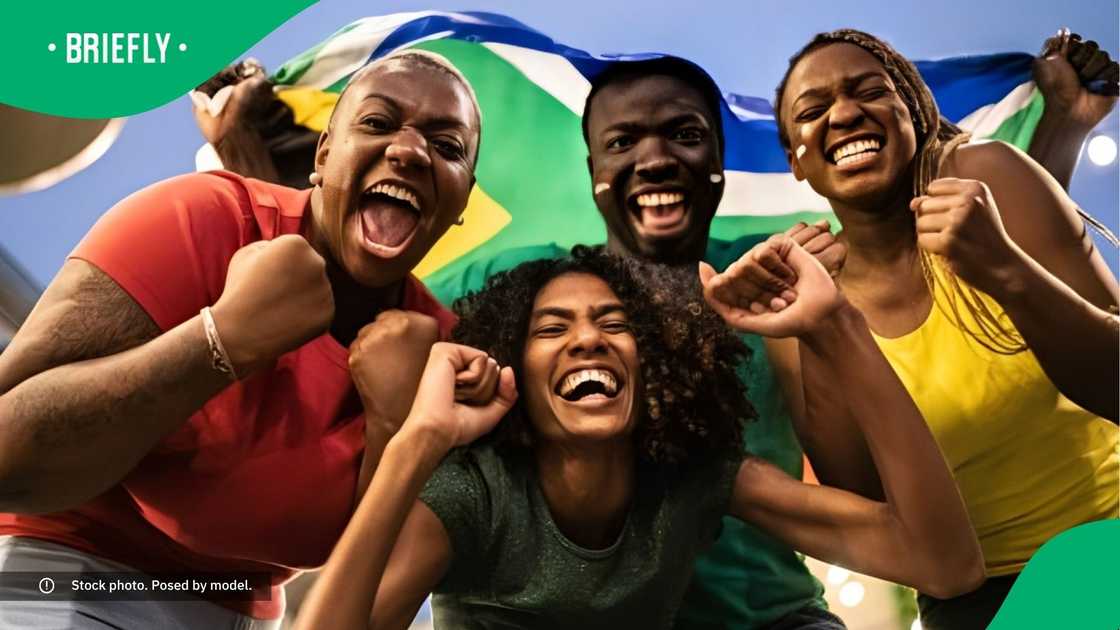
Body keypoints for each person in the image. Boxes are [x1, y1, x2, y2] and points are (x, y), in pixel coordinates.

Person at [0, 50, 481, 628]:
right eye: (377, 123)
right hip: (62, 574)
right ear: (325, 154)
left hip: (245, 611)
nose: (409, 151)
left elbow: (372, 607)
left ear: (464, 201)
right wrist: (219, 343)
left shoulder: (444, 364)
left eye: (447, 147)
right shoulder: (198, 219)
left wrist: (394, 435)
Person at [291, 245, 984, 630]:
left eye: (614, 324)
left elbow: (945, 565)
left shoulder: (690, 477)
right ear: (515, 375)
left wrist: (836, 326)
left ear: (653, 366)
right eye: (552, 329)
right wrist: (418, 439)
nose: (588, 338)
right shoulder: (476, 495)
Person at [715, 28, 1119, 630]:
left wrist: (1004, 267)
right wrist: (823, 332)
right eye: (814, 110)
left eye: (868, 92)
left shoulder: (989, 178)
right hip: (976, 599)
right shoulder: (799, 300)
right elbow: (872, 503)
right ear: (797, 161)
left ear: (914, 113)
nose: (845, 113)